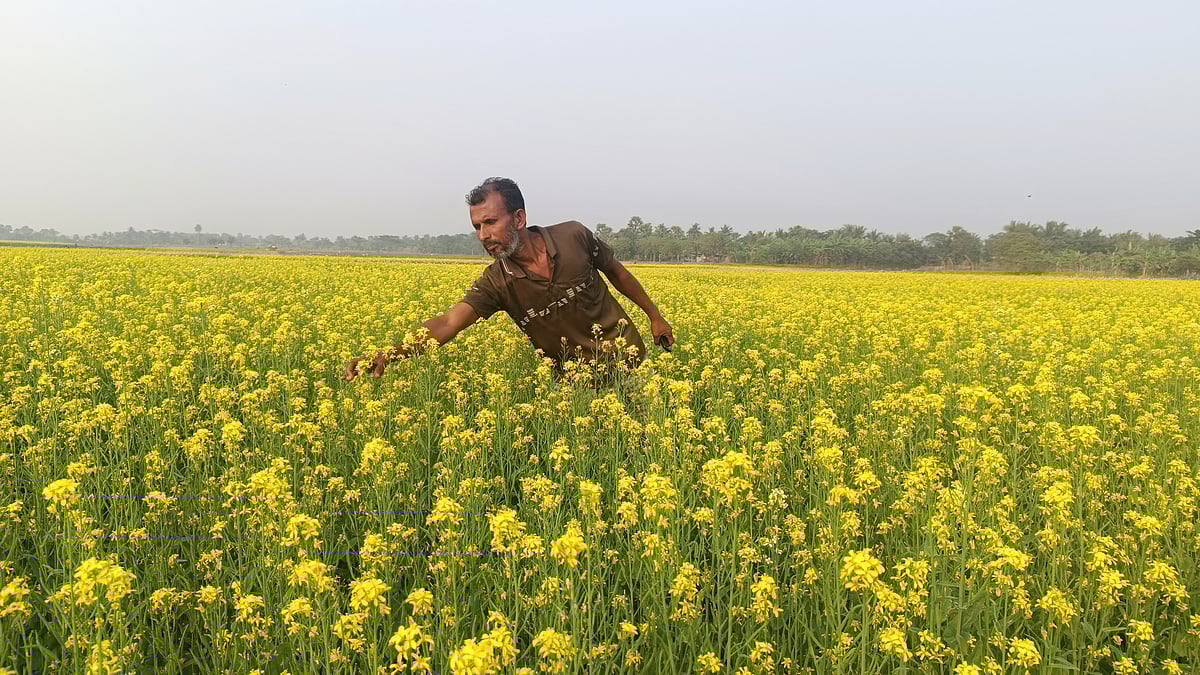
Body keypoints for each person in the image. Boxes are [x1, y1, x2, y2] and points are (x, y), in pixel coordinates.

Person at [342, 177, 673, 382]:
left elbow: (616, 271)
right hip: (576, 387)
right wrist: (388, 355)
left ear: (519, 218)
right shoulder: (497, 283)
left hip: (630, 365)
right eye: (476, 227)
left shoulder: (574, 236)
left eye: (490, 222)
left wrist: (654, 316)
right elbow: (447, 323)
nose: (483, 235)